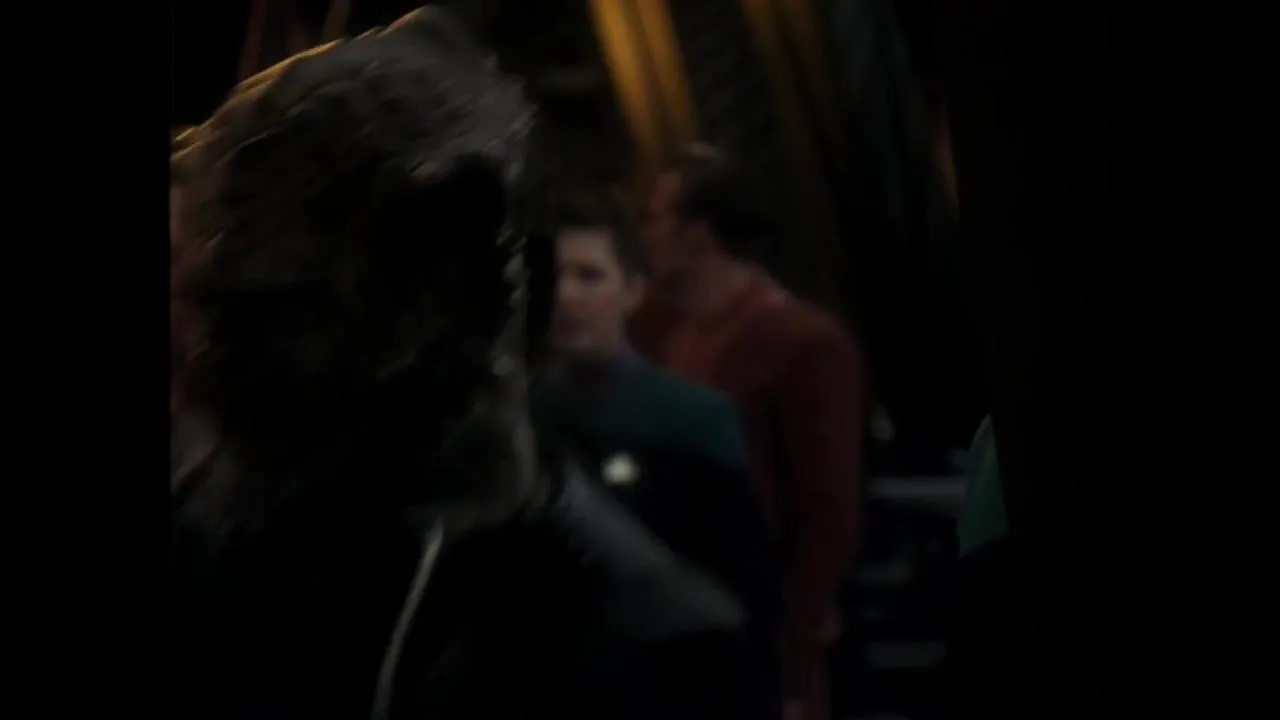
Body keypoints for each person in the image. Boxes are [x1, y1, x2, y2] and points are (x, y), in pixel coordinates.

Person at [170, 11, 769, 720]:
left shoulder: (646, 646)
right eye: (209, 303)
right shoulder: (220, 552)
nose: (206, 363)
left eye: (271, 308)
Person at [644, 144, 865, 720]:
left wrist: (795, 649)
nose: (646, 235)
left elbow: (829, 510)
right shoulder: (680, 337)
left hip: (767, 630)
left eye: (656, 218)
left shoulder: (802, 341)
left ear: (698, 235)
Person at [530, 194, 777, 631]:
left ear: (632, 291)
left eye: (589, 276)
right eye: (551, 277)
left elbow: (741, 574)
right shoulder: (521, 417)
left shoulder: (693, 418)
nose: (566, 295)